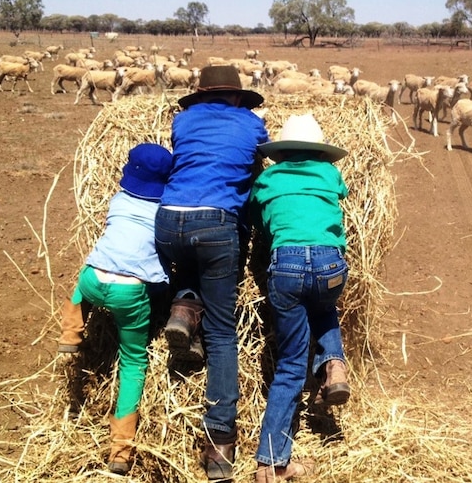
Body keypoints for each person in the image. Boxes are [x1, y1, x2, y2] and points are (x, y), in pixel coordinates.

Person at [154, 64, 269, 480]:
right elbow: (262, 159)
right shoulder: (251, 123)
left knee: (188, 260)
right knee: (222, 334)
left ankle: (183, 307)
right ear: (237, 97)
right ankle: (220, 443)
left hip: (167, 221)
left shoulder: (182, 120)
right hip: (216, 223)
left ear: (201, 95)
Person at [57, 143, 173, 475]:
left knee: (89, 271)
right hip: (128, 292)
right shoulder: (163, 213)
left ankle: (71, 331)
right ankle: (121, 450)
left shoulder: (118, 201)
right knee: (133, 364)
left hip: (93, 281)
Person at [249, 113, 352, 482]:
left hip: (287, 266)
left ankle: (271, 464)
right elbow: (340, 200)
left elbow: (262, 226)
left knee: (291, 367)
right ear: (319, 151)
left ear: (281, 152)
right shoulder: (329, 174)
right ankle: (334, 364)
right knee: (325, 305)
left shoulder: (267, 178)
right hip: (330, 263)